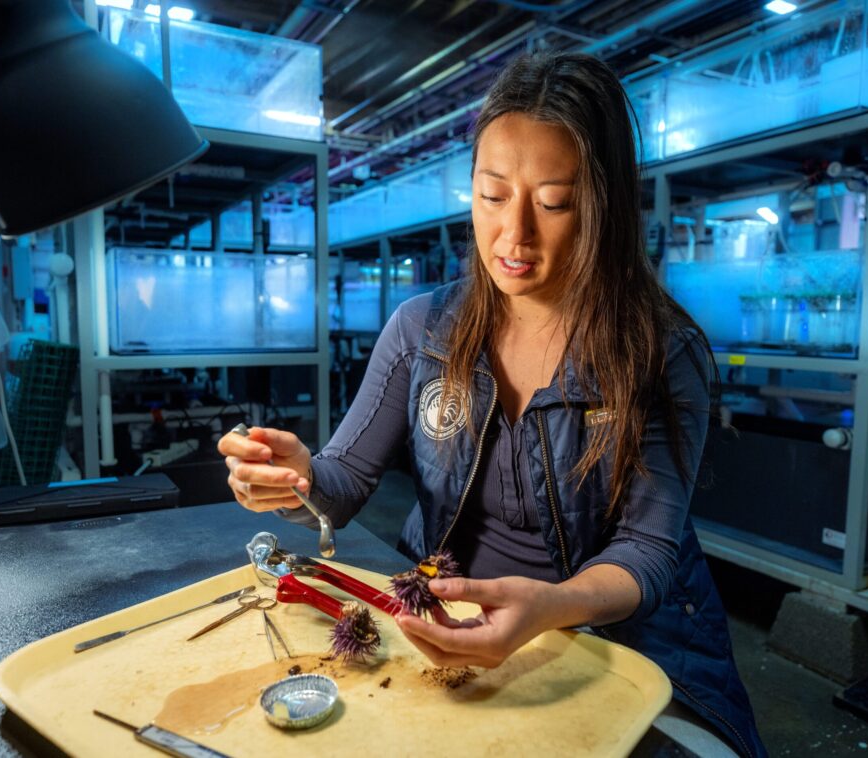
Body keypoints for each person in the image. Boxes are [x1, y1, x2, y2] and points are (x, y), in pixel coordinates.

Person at [218, 52, 767, 757]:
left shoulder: (660, 351)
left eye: (554, 202)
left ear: (603, 205)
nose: (515, 236)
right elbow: (342, 484)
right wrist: (292, 480)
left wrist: (552, 607)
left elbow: (649, 551)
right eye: (492, 194)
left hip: (621, 641)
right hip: (438, 627)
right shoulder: (422, 331)